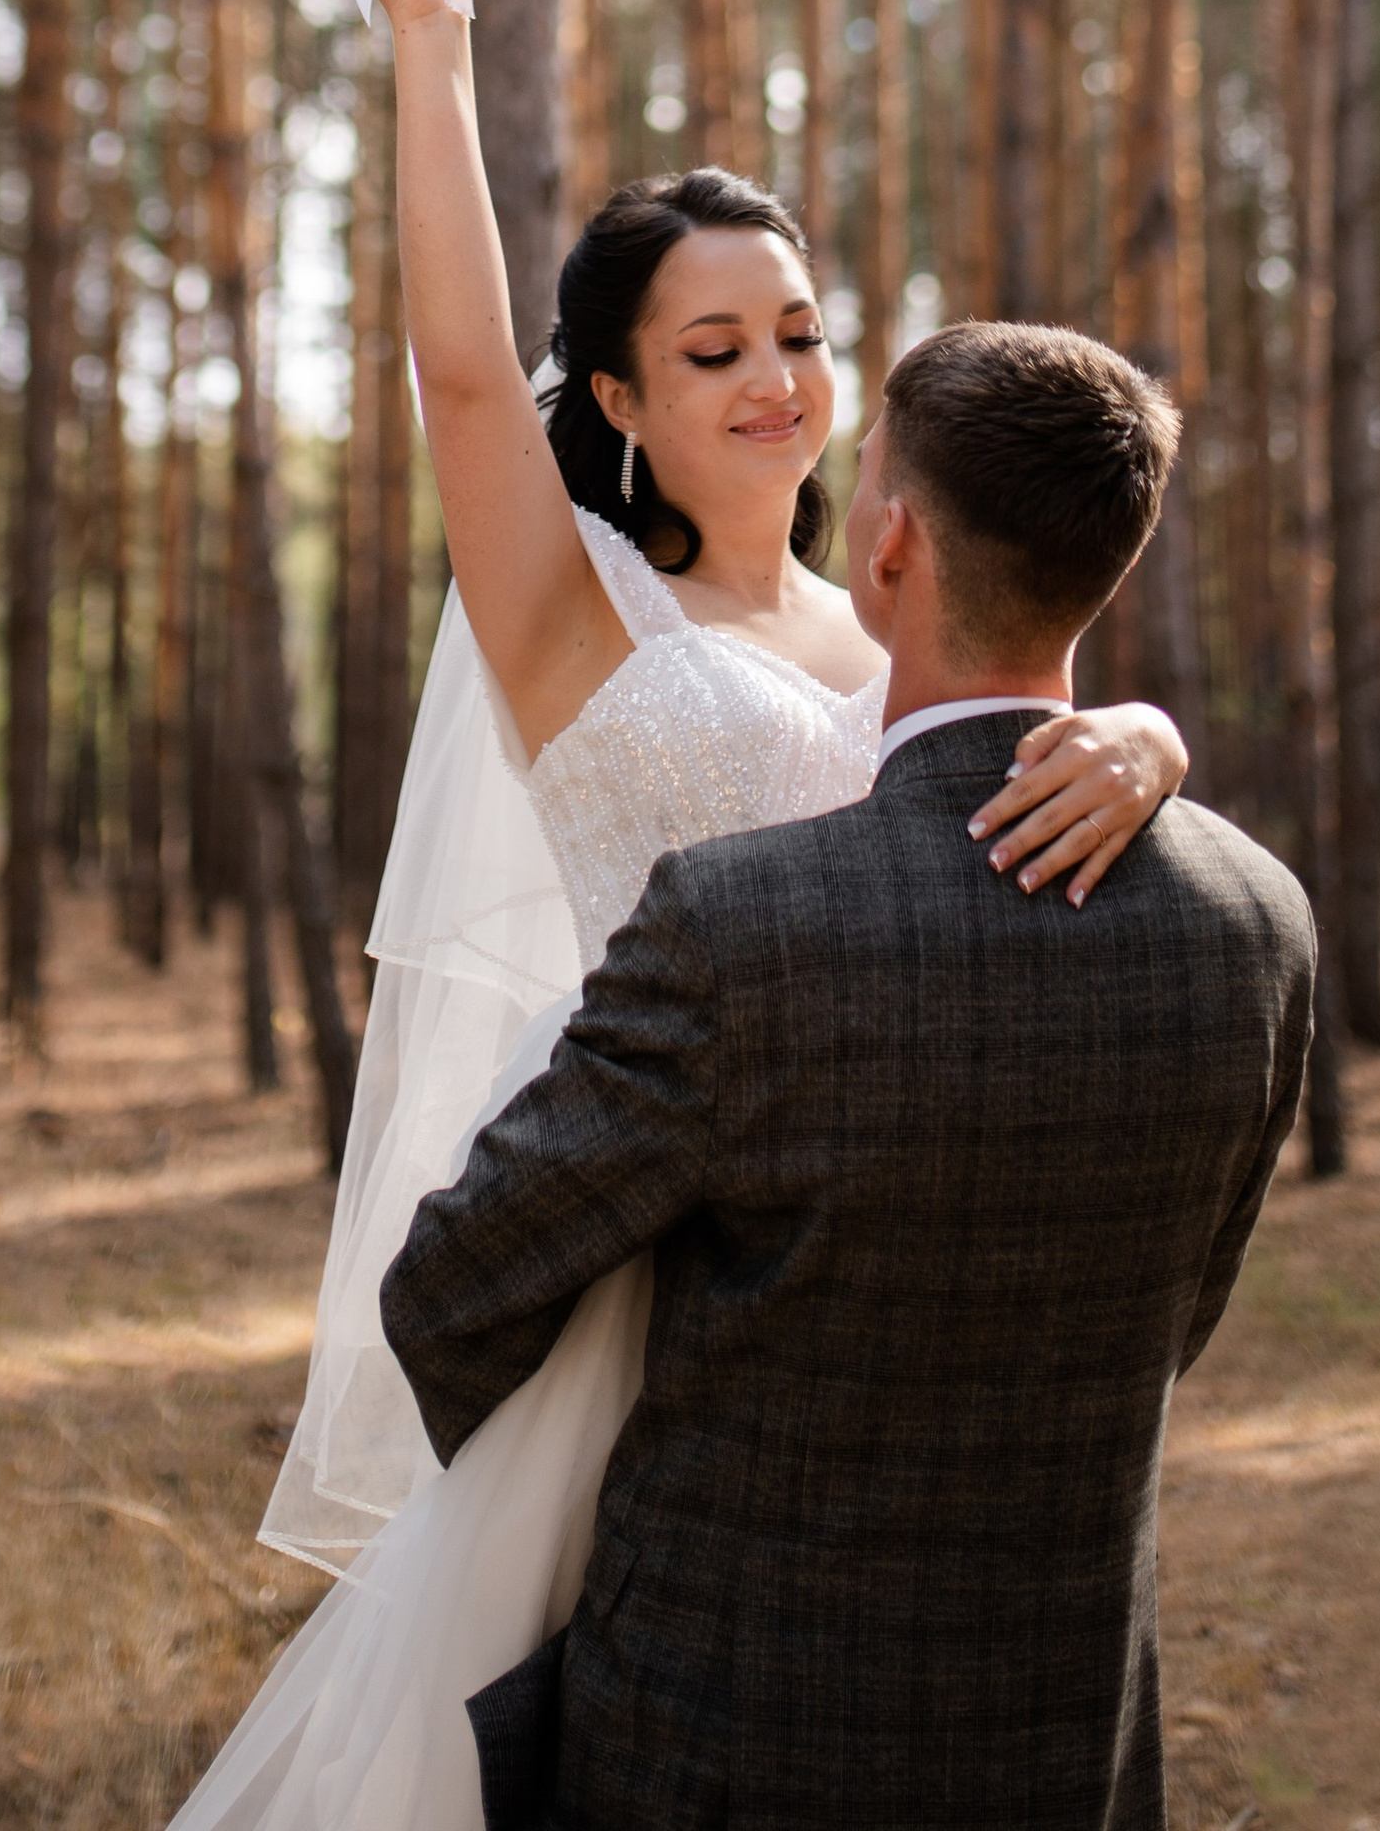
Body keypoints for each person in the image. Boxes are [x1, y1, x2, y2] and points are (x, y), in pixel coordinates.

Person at [166, 0, 1192, 1831]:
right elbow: (468, 383)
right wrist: (430, 45)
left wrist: (1148, 743)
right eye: (713, 348)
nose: (779, 381)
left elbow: (1022, 718)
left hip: (869, 1230)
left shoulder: (892, 617)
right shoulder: (580, 618)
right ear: (619, 400)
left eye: (802, 334)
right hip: (641, 1234)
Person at [385, 319, 1316, 1831]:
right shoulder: (1261, 923)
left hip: (724, 1726)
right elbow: (1178, 1320)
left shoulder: (738, 924)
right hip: (1061, 1729)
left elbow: (452, 1290)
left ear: (888, 549)